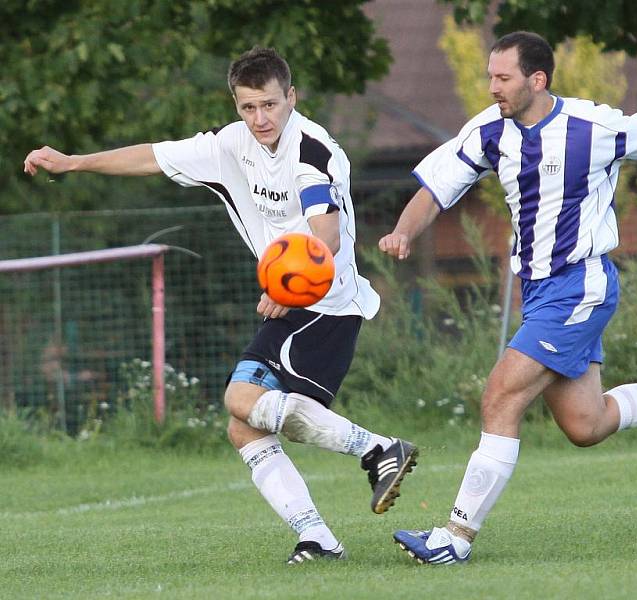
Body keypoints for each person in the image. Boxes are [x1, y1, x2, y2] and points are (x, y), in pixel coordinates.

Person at [24, 46, 418, 564]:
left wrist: (285, 286)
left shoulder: (313, 150)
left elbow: (326, 233)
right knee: (242, 424)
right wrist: (76, 162)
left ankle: (377, 448)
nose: (261, 118)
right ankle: (317, 538)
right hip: (289, 300)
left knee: (239, 401)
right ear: (236, 104)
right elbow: (152, 156)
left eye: (271, 105)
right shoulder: (232, 145)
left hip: (326, 302)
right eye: (248, 107)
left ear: (291, 97)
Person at [379, 31, 637, 566]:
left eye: (503, 77)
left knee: (501, 395)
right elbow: (436, 189)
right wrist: (405, 231)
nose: (492, 86)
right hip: (540, 291)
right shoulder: (488, 130)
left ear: (536, 80)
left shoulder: (592, 125)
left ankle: (455, 537)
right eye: (490, 76)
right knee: (585, 425)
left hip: (581, 284)